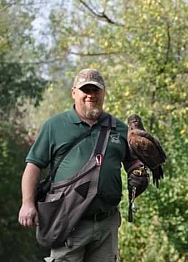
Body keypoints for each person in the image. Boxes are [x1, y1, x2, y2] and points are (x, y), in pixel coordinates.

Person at [18, 68, 148, 262]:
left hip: (106, 223)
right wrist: (27, 203)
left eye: (96, 90)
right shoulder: (55, 125)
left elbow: (132, 163)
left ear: (103, 93)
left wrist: (139, 173)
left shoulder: (120, 128)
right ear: (74, 92)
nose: (91, 95)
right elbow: (33, 166)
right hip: (68, 221)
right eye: (85, 90)